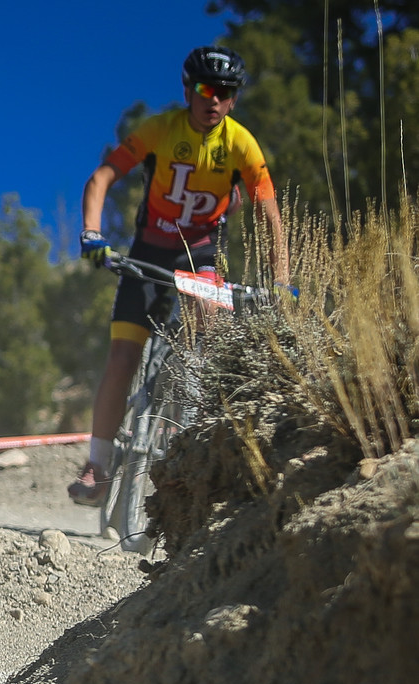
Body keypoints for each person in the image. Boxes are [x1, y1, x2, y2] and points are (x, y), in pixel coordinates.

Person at [69, 45, 289, 506]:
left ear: (234, 99)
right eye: (206, 89)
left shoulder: (241, 144)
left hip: (200, 252)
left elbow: (270, 214)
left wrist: (281, 281)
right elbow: (102, 178)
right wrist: (91, 233)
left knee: (208, 312)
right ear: (188, 91)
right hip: (149, 251)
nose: (215, 100)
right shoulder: (161, 129)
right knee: (123, 356)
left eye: (225, 92)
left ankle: (187, 433)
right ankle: (96, 466)